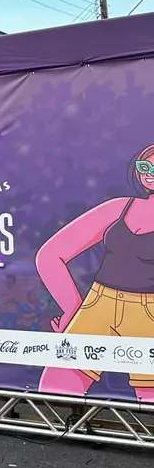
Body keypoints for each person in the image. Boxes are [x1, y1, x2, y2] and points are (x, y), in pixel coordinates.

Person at [36, 143, 154, 399]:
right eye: (144, 166)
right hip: (99, 304)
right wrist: (72, 308)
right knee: (55, 390)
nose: (149, 173)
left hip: (149, 314)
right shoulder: (119, 208)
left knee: (149, 397)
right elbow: (50, 255)